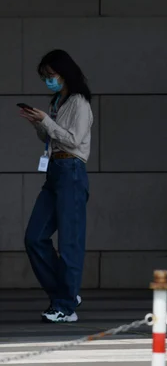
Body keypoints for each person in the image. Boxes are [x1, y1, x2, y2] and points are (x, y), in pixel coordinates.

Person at [20, 50, 93, 323]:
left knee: (70, 242)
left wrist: (46, 122)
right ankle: (65, 294)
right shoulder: (57, 101)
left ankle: (65, 307)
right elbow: (51, 138)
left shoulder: (79, 102)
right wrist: (39, 123)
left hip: (72, 170)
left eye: (51, 75)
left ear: (65, 73)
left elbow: (73, 140)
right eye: (45, 77)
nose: (49, 81)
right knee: (34, 237)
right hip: (54, 170)